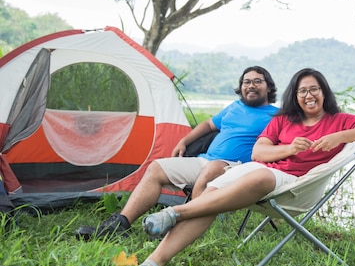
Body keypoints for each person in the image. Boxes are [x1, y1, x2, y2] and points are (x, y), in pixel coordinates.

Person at [125, 68, 355, 266]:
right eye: (302, 91)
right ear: (295, 96)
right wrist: (289, 148)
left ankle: (176, 213)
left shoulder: (341, 120)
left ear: (324, 92)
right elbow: (259, 152)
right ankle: (153, 264)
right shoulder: (284, 120)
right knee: (213, 196)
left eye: (314, 89)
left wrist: (338, 137)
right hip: (263, 171)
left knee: (258, 178)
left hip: (295, 186)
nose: (309, 95)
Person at [76, 66, 278, 239]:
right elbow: (208, 124)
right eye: (246, 81)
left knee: (212, 169)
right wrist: (184, 140)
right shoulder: (234, 107)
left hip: (238, 169)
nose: (250, 85)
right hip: (204, 161)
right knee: (156, 168)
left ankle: (181, 228)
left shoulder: (276, 115)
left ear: (268, 86)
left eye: (257, 81)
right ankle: (120, 224)